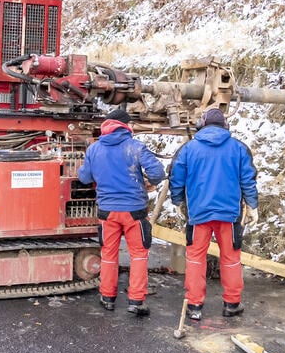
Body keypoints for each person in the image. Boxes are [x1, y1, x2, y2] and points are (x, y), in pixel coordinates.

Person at [169, 107, 259, 321]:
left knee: (196, 259)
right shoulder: (239, 148)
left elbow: (176, 178)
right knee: (231, 259)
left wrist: (177, 201)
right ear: (225, 126)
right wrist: (252, 205)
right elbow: (248, 179)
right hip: (229, 215)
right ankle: (231, 304)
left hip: (198, 215)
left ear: (202, 124)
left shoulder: (188, 149)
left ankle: (194, 306)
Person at [78, 107, 166, 316]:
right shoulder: (135, 147)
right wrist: (147, 182)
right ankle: (136, 301)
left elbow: (84, 178)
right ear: (126, 126)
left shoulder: (94, 149)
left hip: (107, 211)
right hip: (134, 211)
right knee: (138, 255)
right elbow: (158, 172)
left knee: (108, 255)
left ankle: (107, 297)